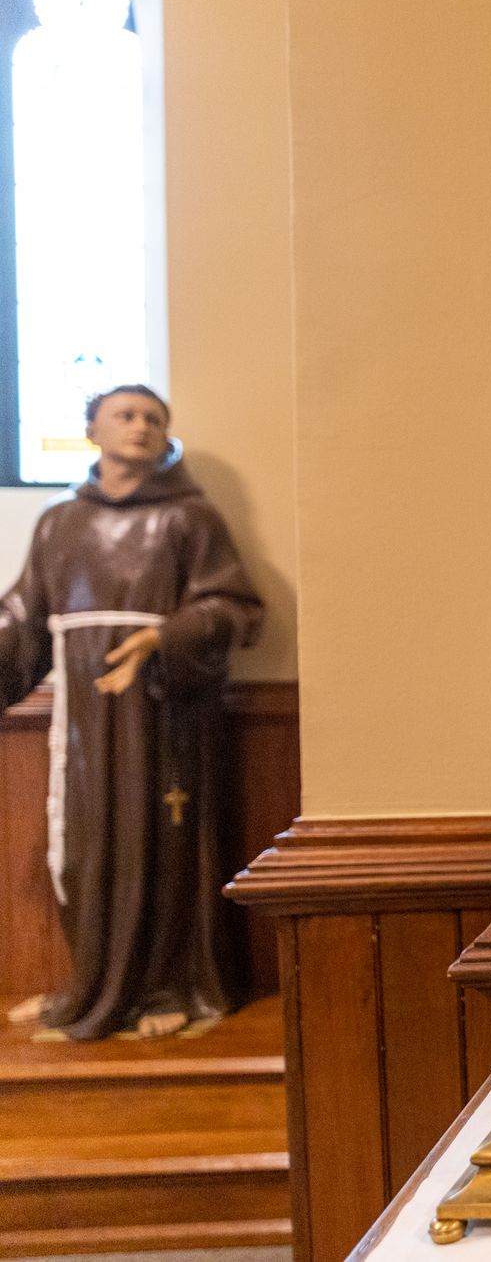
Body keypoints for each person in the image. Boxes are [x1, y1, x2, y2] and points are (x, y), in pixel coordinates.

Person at [0, 386, 261, 1039]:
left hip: (164, 712)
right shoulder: (60, 522)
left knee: (163, 844)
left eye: (154, 418)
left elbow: (235, 608)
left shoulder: (190, 518)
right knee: (83, 850)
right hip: (85, 717)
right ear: (93, 431)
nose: (141, 426)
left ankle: (169, 988)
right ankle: (88, 989)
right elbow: (23, 620)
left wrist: (164, 637)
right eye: (125, 415)